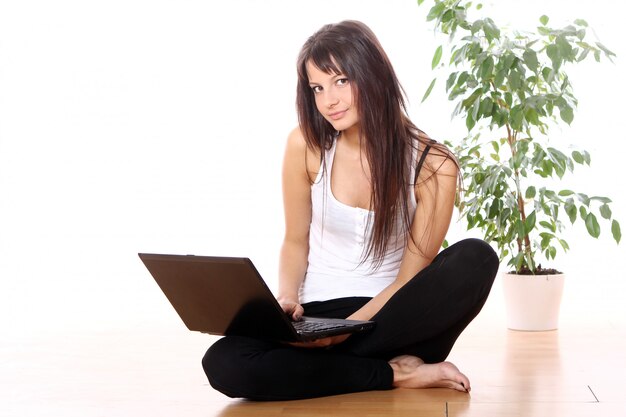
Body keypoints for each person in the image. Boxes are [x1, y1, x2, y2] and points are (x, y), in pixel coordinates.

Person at [202, 20, 498, 401]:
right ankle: (395, 372)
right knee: (223, 361)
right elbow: (295, 241)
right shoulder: (306, 146)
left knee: (476, 257)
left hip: (392, 321)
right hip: (318, 312)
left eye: (341, 81)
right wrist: (288, 298)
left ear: (373, 75)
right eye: (317, 88)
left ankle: (343, 367)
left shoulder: (433, 164)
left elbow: (409, 279)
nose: (329, 101)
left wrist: (345, 331)